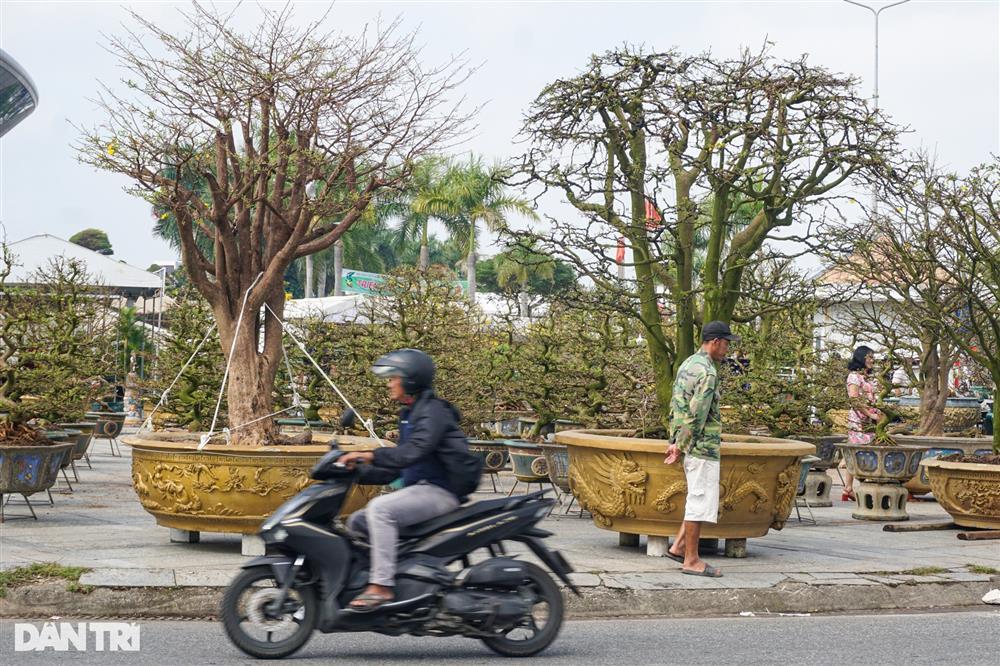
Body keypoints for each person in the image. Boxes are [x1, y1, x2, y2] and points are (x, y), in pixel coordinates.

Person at [338, 349, 482, 611]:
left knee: (380, 510)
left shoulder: (433, 412)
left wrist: (370, 454)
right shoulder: (410, 413)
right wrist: (355, 471)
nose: (390, 383)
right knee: (358, 520)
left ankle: (381, 586)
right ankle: (379, 576)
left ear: (411, 379)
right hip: (420, 489)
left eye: (394, 377)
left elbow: (413, 451)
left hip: (440, 491)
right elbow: (398, 468)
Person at [663, 320, 739, 578]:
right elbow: (697, 414)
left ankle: (678, 547)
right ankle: (691, 560)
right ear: (715, 342)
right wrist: (680, 447)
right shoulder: (708, 372)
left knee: (697, 496)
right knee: (699, 500)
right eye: (727, 343)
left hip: (686, 441)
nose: (728, 349)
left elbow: (676, 407)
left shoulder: (688, 364)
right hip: (702, 446)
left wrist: (675, 440)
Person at [844, 345, 881, 501]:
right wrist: (868, 414)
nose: (872, 360)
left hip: (870, 418)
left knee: (860, 450)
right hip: (858, 419)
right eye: (869, 357)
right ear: (861, 358)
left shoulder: (867, 377)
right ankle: (852, 487)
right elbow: (854, 399)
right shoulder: (854, 376)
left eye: (872, 357)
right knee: (858, 451)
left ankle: (848, 488)